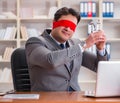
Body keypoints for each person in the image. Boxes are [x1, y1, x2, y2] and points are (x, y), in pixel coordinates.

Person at [25, 7, 109, 91]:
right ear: (54, 22)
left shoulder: (75, 44)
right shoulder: (34, 42)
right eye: (64, 23)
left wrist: (100, 49)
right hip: (48, 98)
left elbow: (100, 68)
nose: (68, 29)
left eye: (72, 26)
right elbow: (50, 61)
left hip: (75, 97)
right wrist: (85, 44)